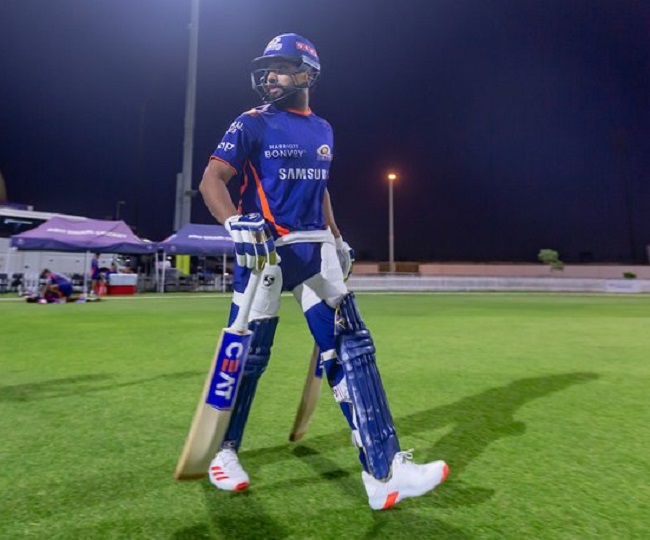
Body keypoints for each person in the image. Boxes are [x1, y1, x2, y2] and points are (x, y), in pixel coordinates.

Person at [198, 33, 448, 510]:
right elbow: (213, 178)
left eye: (281, 67)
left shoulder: (323, 130)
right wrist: (233, 223)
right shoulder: (251, 122)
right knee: (251, 355)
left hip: (314, 249)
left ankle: (384, 472)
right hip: (267, 252)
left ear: (307, 73)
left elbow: (321, 189)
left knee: (354, 348)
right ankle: (223, 450)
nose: (271, 76)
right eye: (267, 68)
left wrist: (336, 237)